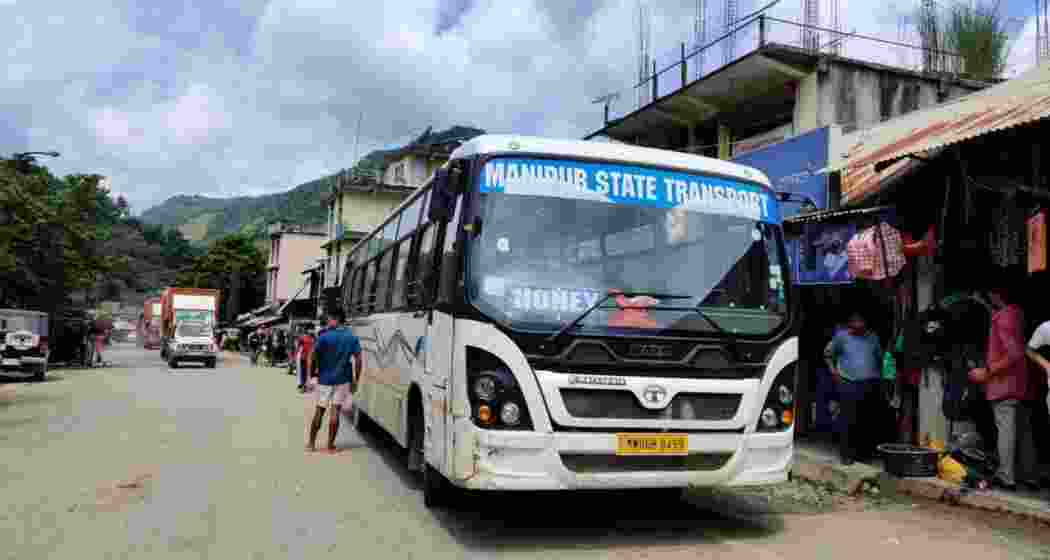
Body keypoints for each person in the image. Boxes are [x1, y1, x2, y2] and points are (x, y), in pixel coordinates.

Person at [969, 284, 1039, 491]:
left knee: (1006, 430)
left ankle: (1006, 476)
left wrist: (987, 371)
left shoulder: (1002, 318)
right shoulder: (1018, 314)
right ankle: (1030, 476)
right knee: (1024, 432)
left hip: (1004, 385)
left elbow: (1014, 353)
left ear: (995, 295)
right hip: (1021, 384)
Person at [824, 311, 885, 465]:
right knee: (848, 420)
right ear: (850, 323)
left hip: (870, 383)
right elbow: (828, 354)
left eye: (862, 322)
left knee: (866, 420)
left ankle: (863, 453)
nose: (859, 325)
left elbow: (879, 358)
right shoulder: (841, 337)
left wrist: (879, 378)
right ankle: (846, 454)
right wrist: (834, 373)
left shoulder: (873, 338)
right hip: (848, 382)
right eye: (856, 322)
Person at [306, 311, 362, 453]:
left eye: (329, 319)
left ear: (336, 319)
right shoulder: (352, 338)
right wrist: (356, 379)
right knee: (335, 411)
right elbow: (358, 360)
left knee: (319, 410)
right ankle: (330, 446)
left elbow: (311, 357)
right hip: (342, 380)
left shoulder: (324, 337)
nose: (328, 322)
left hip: (324, 379)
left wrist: (309, 376)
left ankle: (311, 444)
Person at [295, 325, 317, 393]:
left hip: (312, 358)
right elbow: (298, 347)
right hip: (303, 358)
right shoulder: (302, 338)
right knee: (303, 372)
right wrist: (297, 355)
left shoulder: (315, 338)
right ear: (307, 330)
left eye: (313, 329)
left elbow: (316, 347)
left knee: (310, 372)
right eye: (310, 329)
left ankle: (306, 384)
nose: (312, 331)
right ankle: (302, 386)